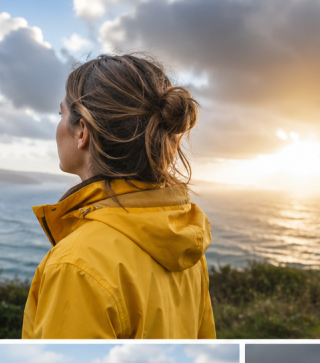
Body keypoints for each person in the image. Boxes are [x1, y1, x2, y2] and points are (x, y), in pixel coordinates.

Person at [22, 54, 217, 339]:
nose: (58, 125)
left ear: (82, 132)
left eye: (61, 114)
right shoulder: (186, 240)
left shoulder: (76, 265)